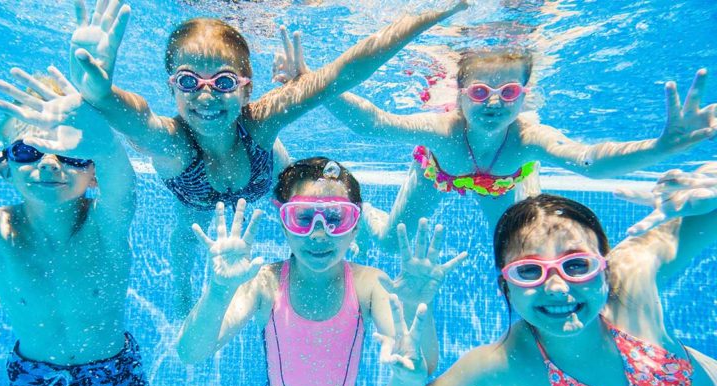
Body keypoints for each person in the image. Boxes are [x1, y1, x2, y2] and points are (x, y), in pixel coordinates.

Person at [67, 0, 471, 315]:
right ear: (172, 87)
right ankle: (181, 286)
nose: (205, 96)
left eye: (223, 82)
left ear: (246, 89)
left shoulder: (259, 122)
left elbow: (342, 73)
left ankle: (353, 237)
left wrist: (428, 15)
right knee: (186, 235)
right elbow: (135, 117)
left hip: (266, 170)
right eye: (189, 81)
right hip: (195, 196)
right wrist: (100, 92)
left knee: (310, 196)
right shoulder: (172, 143)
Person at [273, 42, 717, 251]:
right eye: (481, 92)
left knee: (524, 249)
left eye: (508, 94)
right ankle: (364, 212)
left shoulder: (527, 137)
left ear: (524, 96)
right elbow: (374, 124)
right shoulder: (443, 130)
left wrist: (661, 146)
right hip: (438, 174)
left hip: (506, 184)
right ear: (461, 91)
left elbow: (588, 161)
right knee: (390, 243)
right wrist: (311, 82)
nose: (493, 104)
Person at [378, 166, 717, 386]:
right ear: (505, 285)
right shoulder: (506, 364)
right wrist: (407, 381)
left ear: (605, 267)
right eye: (529, 271)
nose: (556, 287)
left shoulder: (632, 276)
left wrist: (711, 189)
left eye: (577, 265)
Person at [176, 157, 466, 386]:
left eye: (335, 218)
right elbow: (191, 352)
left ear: (354, 228)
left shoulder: (369, 284)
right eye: (302, 218)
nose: (318, 234)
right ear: (284, 226)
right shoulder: (265, 283)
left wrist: (415, 304)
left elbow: (422, 364)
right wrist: (219, 289)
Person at [0, 67, 146, 386]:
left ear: (94, 173)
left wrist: (102, 138)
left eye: (72, 154)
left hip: (112, 372)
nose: (52, 163)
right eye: (27, 151)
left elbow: (123, 187)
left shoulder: (105, 224)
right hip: (36, 378)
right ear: (5, 168)